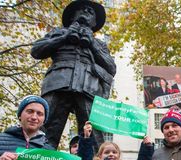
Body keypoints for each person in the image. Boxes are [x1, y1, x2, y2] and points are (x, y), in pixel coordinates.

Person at [31, 0, 117, 150]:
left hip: (89, 88)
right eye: (82, 10)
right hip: (58, 83)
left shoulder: (99, 44)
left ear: (94, 22)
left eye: (90, 12)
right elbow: (36, 51)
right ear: (72, 17)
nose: (86, 13)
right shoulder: (58, 32)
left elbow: (111, 67)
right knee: (46, 129)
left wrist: (92, 45)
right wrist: (64, 37)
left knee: (93, 134)